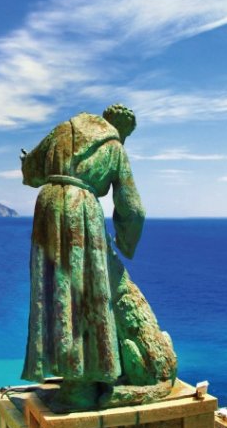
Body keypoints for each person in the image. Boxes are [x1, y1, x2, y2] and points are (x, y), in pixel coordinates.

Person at [20, 104, 176, 409]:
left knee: (57, 291)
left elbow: (31, 171)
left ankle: (70, 373)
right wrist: (125, 242)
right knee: (87, 293)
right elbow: (133, 208)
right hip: (80, 210)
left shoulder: (63, 129)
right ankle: (83, 383)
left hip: (48, 208)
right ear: (123, 129)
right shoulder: (115, 146)